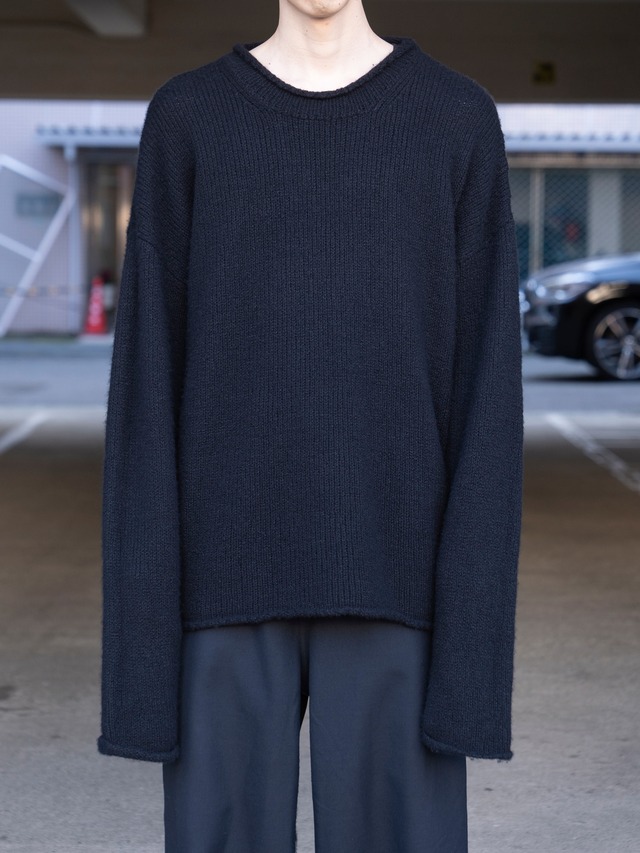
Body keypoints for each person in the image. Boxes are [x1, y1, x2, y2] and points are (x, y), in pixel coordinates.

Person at [97, 1, 524, 851]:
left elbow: (488, 393)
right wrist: (142, 639)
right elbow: (146, 385)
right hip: (221, 579)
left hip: (397, 574)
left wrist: (472, 638)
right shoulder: (190, 118)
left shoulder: (455, 118)